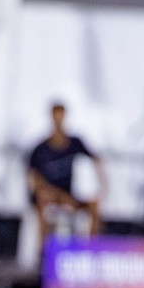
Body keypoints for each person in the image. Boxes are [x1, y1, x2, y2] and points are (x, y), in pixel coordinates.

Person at [27, 102, 106, 242]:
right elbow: (33, 179)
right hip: (51, 197)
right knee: (43, 202)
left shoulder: (75, 142)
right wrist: (57, 195)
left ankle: (90, 249)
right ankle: (45, 253)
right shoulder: (41, 149)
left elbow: (95, 159)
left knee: (94, 206)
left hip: (71, 195)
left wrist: (103, 187)